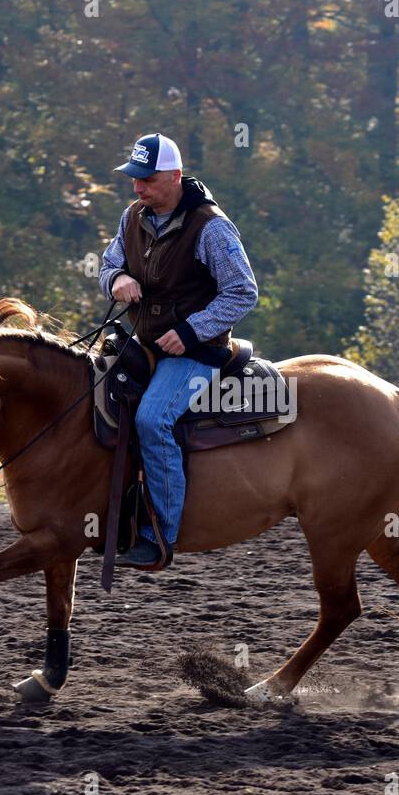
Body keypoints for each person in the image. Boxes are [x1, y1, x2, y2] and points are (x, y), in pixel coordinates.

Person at [98, 132, 258, 567]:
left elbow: (243, 292)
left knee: (152, 419)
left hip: (196, 352)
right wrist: (116, 280)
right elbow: (109, 262)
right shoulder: (133, 216)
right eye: (134, 178)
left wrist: (190, 332)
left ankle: (160, 535)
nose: (137, 187)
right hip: (142, 345)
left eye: (147, 179)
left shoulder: (212, 227)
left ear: (173, 176)